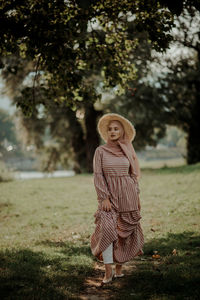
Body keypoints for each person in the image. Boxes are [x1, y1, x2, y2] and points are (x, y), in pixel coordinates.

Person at [90, 113, 144, 285]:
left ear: (122, 132)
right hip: (109, 198)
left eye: (116, 129)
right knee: (107, 229)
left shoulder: (127, 150)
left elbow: (133, 175)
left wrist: (137, 197)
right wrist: (103, 198)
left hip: (128, 195)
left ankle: (119, 268)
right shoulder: (100, 151)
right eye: (110, 129)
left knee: (125, 233)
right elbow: (98, 175)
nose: (112, 132)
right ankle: (108, 270)